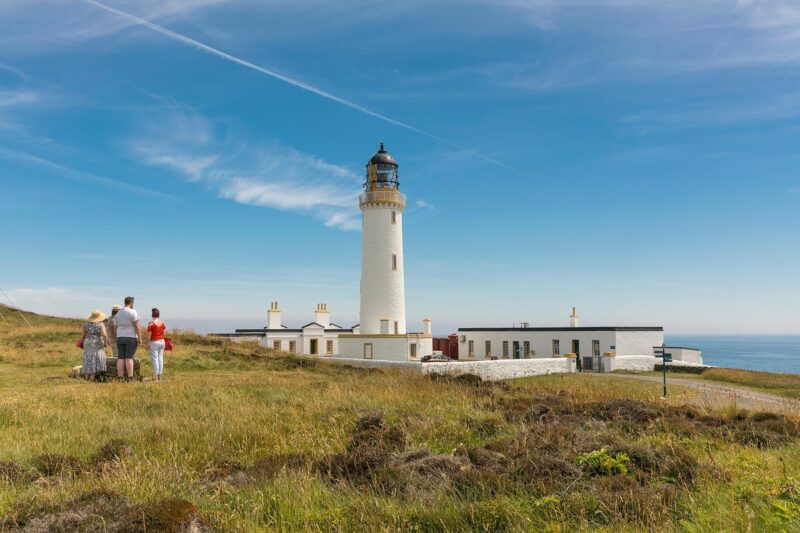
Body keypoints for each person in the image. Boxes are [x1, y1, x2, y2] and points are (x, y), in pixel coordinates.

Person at [114, 296, 141, 382]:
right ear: (131, 303)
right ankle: (130, 377)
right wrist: (139, 337)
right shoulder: (133, 311)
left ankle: (120, 377)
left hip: (120, 336)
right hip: (131, 336)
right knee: (129, 358)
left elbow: (115, 326)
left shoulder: (118, 313)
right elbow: (136, 325)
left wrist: (117, 336)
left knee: (120, 357)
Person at [82, 309, 110, 381]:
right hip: (96, 342)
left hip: (87, 342)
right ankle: (92, 376)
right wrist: (106, 343)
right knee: (95, 358)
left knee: (87, 357)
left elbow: (83, 334)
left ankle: (86, 375)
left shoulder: (86, 324)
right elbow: (104, 335)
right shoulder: (100, 324)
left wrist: (83, 341)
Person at [147, 308, 167, 381]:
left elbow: (149, 334)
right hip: (162, 341)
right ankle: (159, 376)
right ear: (159, 315)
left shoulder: (151, 323)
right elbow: (163, 329)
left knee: (155, 359)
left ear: (152, 315)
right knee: (160, 358)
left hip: (154, 342)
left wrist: (148, 344)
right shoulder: (162, 322)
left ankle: (155, 376)